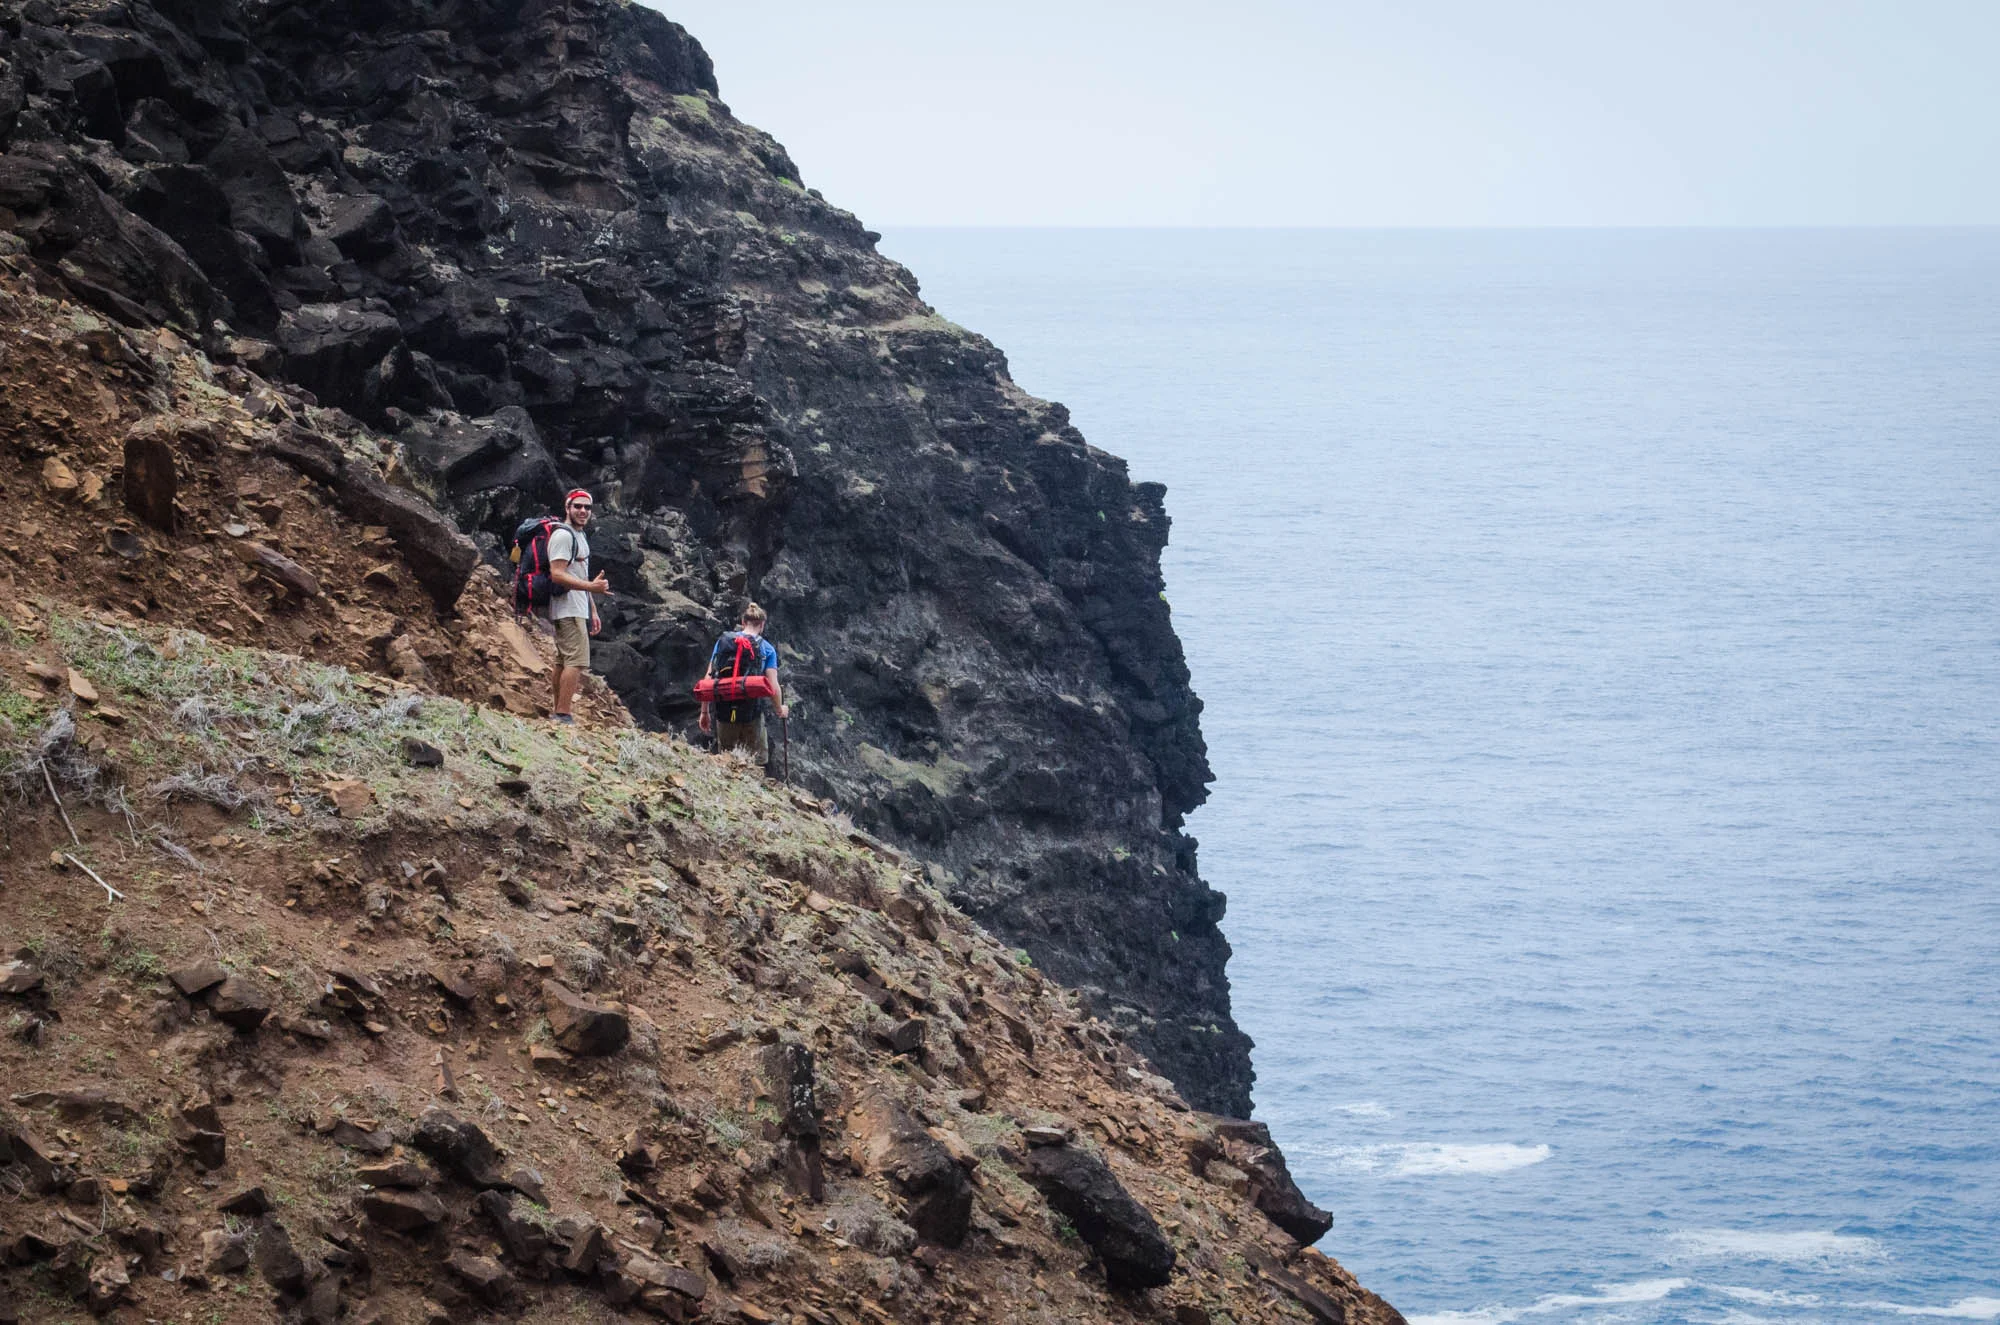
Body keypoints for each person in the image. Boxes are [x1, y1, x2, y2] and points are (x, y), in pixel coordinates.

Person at [546, 488, 608, 724]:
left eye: (587, 507)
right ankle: (562, 714)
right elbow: (557, 574)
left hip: (577, 607)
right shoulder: (563, 536)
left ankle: (558, 710)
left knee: (563, 660)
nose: (583, 511)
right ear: (567, 508)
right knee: (576, 660)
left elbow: (581, 574)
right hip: (566, 607)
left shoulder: (579, 535)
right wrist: (591, 588)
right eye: (578, 506)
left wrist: (592, 608)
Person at [699, 601, 788, 765]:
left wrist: (705, 713)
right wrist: (779, 709)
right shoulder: (767, 649)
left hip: (724, 711)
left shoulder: (724, 642)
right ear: (762, 625)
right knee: (757, 761)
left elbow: (708, 679)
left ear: (742, 622)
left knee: (726, 760)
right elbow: (773, 685)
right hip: (751, 714)